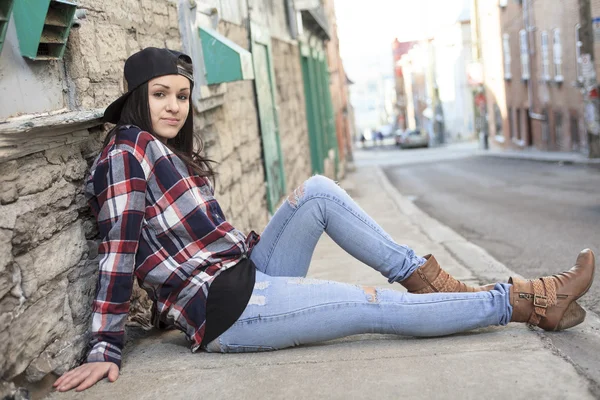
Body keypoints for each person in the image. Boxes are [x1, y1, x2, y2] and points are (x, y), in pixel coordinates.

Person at [53, 48, 596, 393]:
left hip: (246, 274)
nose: (175, 106)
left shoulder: (162, 152)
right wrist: (104, 345)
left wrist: (271, 232)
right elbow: (118, 250)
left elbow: (198, 241)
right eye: (161, 95)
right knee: (374, 306)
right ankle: (526, 300)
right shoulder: (126, 152)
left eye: (183, 96)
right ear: (136, 99)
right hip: (232, 310)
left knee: (315, 193)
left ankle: (433, 283)